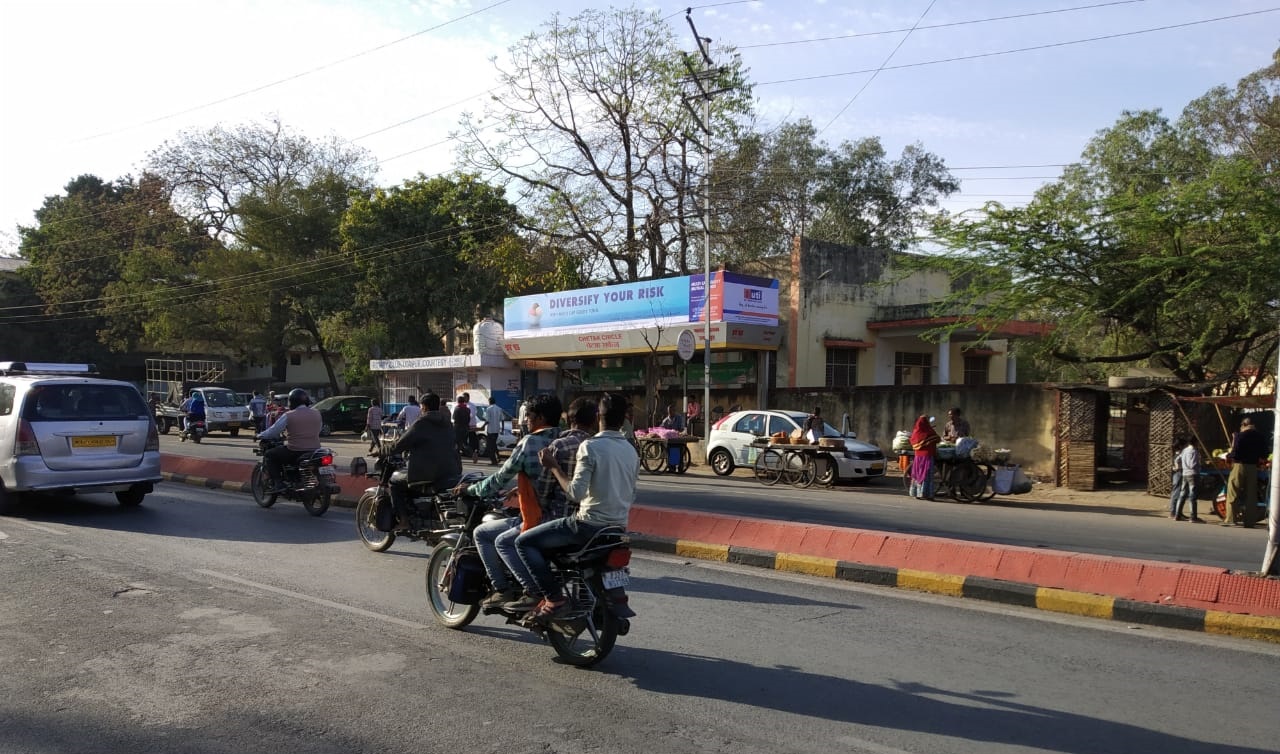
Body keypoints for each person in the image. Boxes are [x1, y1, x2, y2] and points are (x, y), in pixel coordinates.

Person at [511, 392, 639, 619]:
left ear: (598, 417)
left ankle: (554, 598)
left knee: (523, 543)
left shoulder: (591, 446)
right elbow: (632, 494)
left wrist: (553, 466)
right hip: (617, 528)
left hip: (587, 526)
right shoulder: (631, 451)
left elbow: (575, 493)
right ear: (624, 420)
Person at [457, 394, 563, 609]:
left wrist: (471, 489)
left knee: (485, 535)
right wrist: (521, 488)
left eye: (529, 416)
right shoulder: (564, 440)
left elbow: (499, 478)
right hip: (564, 516)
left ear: (540, 417)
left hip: (537, 517)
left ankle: (507, 590)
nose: (526, 421)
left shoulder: (530, 442)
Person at [388, 393, 460, 527]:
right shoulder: (447, 423)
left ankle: (403, 520)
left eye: (421, 407)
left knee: (394, 482)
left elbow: (400, 444)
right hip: (450, 471)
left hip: (427, 474)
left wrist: (382, 450)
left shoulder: (421, 423)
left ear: (424, 407)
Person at [256, 388, 322, 492]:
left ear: (292, 401)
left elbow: (274, 430)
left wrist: (260, 435)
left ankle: (278, 483)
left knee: (270, 455)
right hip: (315, 450)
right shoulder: (317, 413)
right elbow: (319, 429)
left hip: (295, 450)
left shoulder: (289, 415)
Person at [1223, 417, 1268, 527]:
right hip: (1253, 467)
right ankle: (1249, 521)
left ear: (1244, 424)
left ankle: (1231, 519)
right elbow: (1264, 454)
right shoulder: (1260, 437)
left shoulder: (1240, 435)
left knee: (1233, 492)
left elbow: (1235, 452)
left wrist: (1228, 455)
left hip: (1240, 465)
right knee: (1251, 495)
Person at [907, 414, 940, 501]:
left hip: (918, 457)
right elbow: (937, 439)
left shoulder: (915, 432)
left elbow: (913, 441)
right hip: (927, 456)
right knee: (927, 474)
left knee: (918, 473)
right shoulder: (929, 431)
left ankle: (916, 493)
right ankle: (927, 494)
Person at [1172, 437, 1204, 523]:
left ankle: (1177, 515)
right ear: (1195, 442)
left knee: (1182, 494)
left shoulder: (1184, 450)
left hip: (1185, 474)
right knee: (1192, 496)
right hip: (1193, 474)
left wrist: (1182, 466)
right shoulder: (1194, 451)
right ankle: (1193, 517)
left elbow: (1178, 459)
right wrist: (1199, 465)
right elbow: (1192, 464)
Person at [1168, 435, 1189, 520]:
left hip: (1177, 473)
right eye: (1185, 445)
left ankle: (1178, 512)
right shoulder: (1179, 455)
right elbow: (1177, 465)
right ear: (1181, 446)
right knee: (1177, 493)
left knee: (1178, 493)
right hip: (1179, 474)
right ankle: (1173, 512)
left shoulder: (1177, 454)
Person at [484, 401, 504, 466]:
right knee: (493, 444)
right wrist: (502, 428)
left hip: (491, 430)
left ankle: (494, 461)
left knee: (490, 446)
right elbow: (502, 419)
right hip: (496, 430)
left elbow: (487, 420)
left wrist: (482, 426)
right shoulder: (499, 408)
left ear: (489, 402)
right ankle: (498, 456)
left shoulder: (488, 409)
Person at [452, 395, 472, 459]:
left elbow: (454, 418)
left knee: (457, 442)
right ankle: (470, 452)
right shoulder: (468, 409)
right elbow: (469, 419)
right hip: (465, 428)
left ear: (458, 401)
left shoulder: (457, 409)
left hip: (458, 428)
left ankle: (457, 455)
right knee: (464, 442)